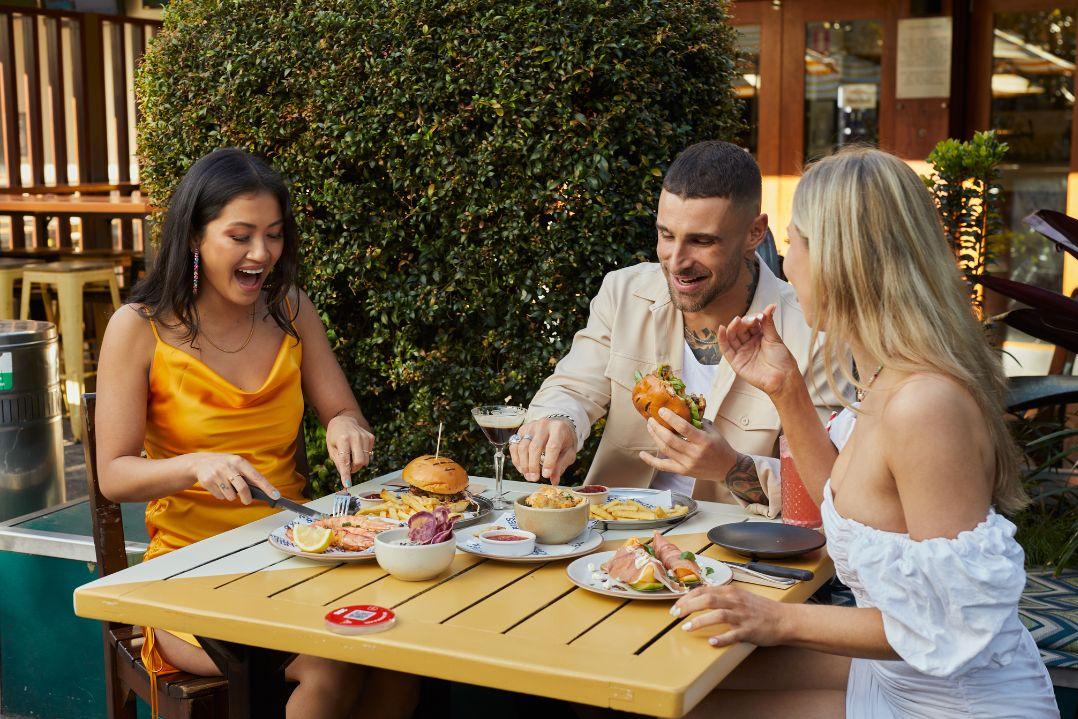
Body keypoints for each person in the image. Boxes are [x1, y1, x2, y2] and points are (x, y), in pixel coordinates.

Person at [660, 147, 1057, 718]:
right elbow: (838, 506)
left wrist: (778, 617)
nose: (787, 265)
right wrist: (787, 391)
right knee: (680, 682)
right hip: (896, 676)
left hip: (953, 701)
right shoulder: (884, 374)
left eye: (795, 243)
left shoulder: (926, 405)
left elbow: (952, 622)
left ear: (846, 258)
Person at [95, 148, 416, 719]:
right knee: (334, 659)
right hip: (191, 569)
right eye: (240, 236)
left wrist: (345, 426)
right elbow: (114, 474)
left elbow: (343, 412)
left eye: (273, 235)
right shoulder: (138, 328)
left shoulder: (290, 309)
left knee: (401, 650)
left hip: (300, 554)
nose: (261, 253)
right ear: (195, 237)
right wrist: (195, 465)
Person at [509, 140, 847, 510]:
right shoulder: (624, 292)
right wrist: (558, 421)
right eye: (666, 235)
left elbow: (824, 490)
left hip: (737, 553)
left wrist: (731, 467)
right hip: (613, 536)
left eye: (701, 241)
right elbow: (573, 388)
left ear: (754, 233)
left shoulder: (813, 333)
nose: (676, 261)